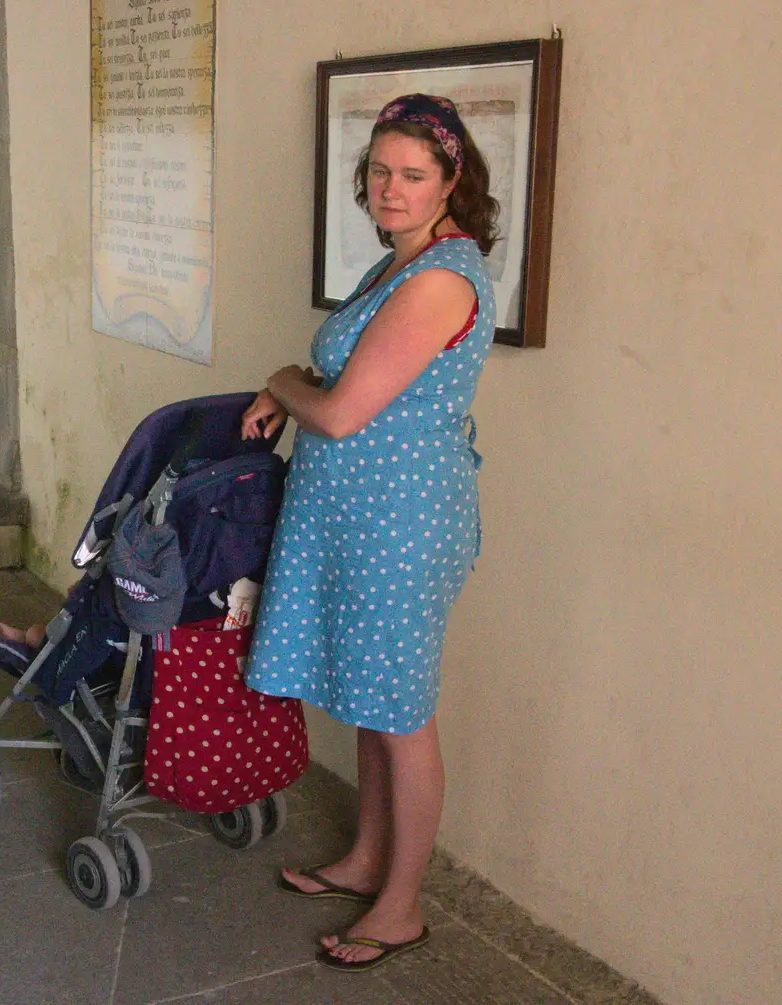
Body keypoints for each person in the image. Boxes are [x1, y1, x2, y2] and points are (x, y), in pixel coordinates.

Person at [239, 94, 500, 974]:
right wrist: (294, 389)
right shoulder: (399, 263)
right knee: (372, 700)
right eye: (380, 171)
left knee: (402, 714)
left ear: (452, 180)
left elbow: (346, 412)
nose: (392, 188)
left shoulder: (439, 279)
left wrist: (279, 376)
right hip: (363, 516)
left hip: (402, 521)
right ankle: (363, 858)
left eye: (413, 175)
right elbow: (352, 375)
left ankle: (400, 905)